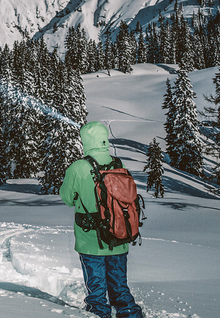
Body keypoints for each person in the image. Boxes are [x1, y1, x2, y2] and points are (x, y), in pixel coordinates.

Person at [60, 121, 143, 318]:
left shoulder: (79, 167)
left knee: (97, 292)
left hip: (91, 242)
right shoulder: (118, 163)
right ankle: (130, 314)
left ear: (86, 141)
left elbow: (67, 198)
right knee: (120, 286)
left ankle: (98, 315)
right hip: (118, 236)